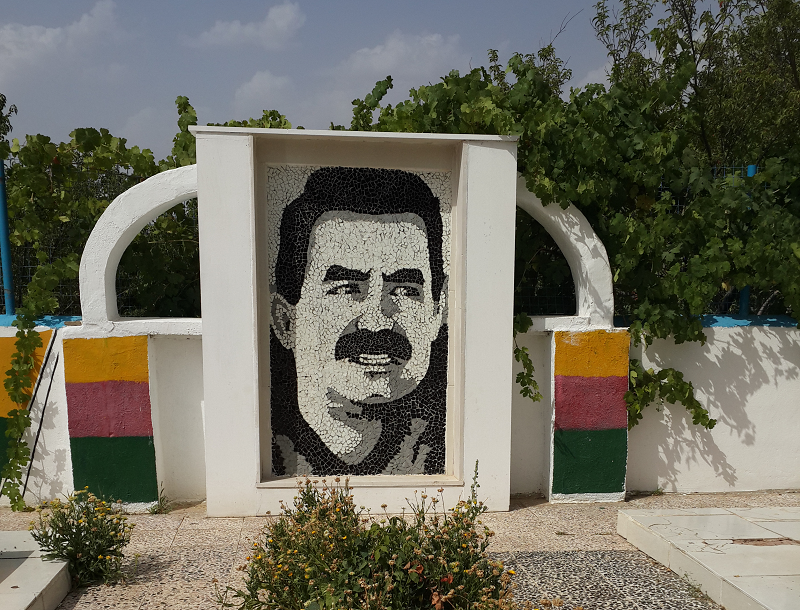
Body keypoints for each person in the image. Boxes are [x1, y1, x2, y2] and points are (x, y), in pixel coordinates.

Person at [269, 166, 449, 476]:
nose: (376, 321)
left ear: (437, 313)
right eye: (346, 288)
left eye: (405, 290)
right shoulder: (262, 441)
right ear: (287, 321)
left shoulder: (442, 445)